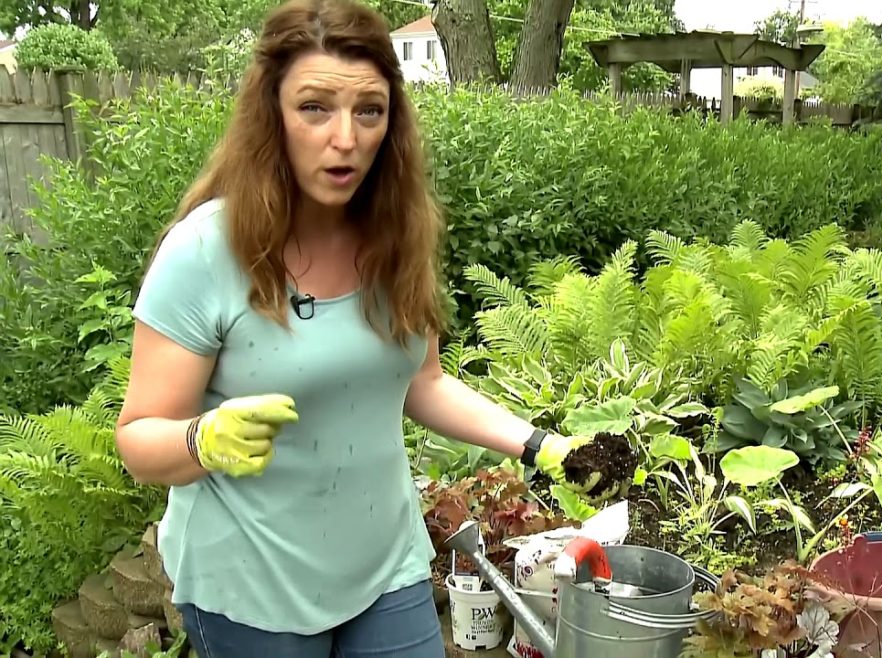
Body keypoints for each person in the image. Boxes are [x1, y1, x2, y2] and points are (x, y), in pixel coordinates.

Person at [112, 1, 609, 656]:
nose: (344, 137)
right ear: (272, 117)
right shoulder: (206, 251)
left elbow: (423, 383)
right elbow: (138, 439)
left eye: (368, 110)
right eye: (314, 107)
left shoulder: (397, 239)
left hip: (386, 568)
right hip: (251, 584)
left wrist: (541, 444)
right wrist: (205, 438)